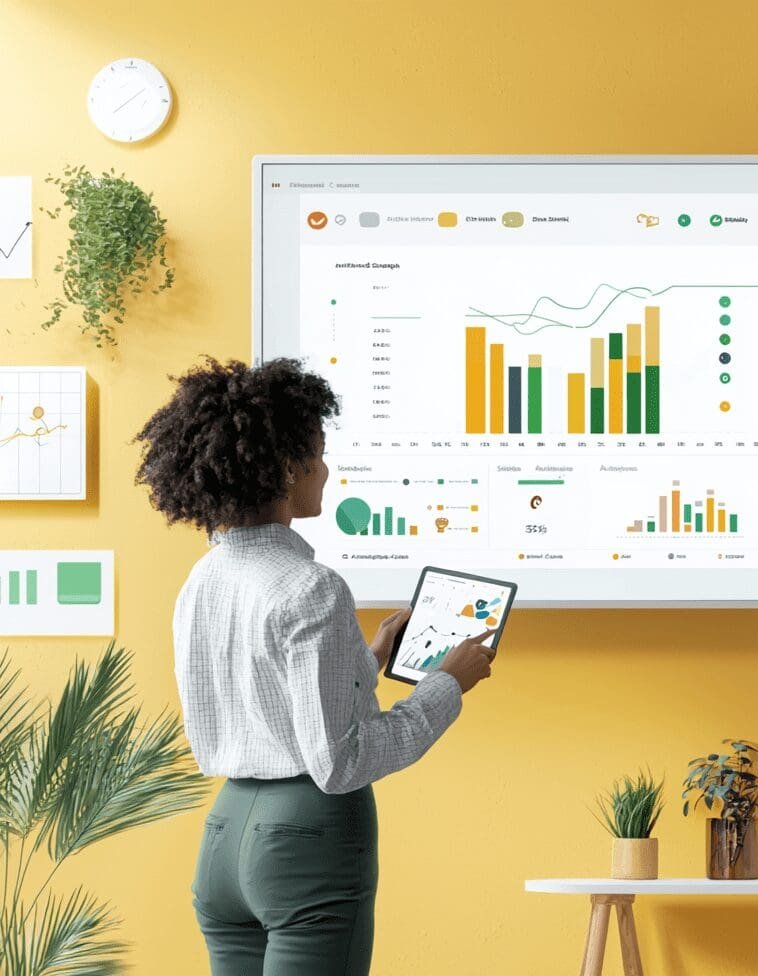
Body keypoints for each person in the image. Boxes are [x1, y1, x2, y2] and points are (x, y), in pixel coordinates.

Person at [135, 357, 497, 976]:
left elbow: (267, 692)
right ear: (283, 467)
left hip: (225, 838)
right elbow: (342, 760)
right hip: (308, 841)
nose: (326, 469)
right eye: (318, 453)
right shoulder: (312, 588)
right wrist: (448, 683)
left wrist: (369, 655)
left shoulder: (204, 579)